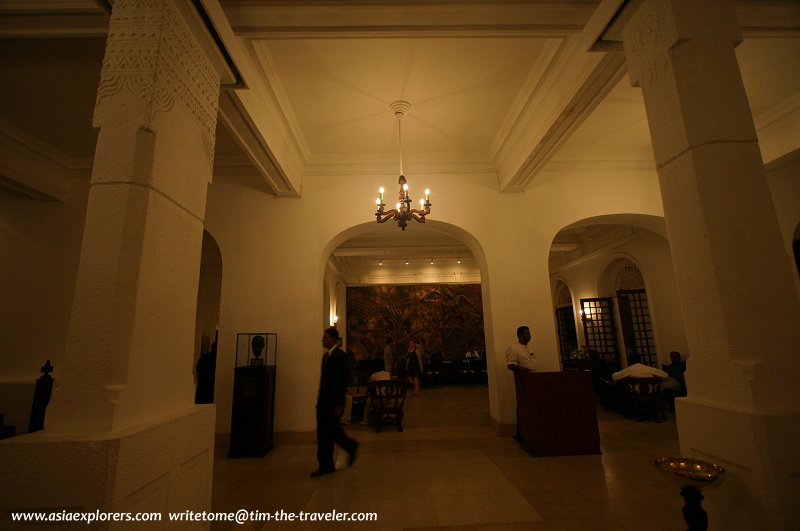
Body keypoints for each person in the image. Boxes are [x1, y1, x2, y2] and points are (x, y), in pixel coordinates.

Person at [311, 327, 358, 477]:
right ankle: (329, 462)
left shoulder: (341, 356)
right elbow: (325, 382)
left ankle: (327, 463)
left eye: (325, 338)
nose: (322, 340)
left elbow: (341, 381)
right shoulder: (326, 357)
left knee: (327, 433)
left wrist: (338, 403)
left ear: (333, 339)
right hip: (324, 401)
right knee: (327, 432)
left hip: (333, 402)